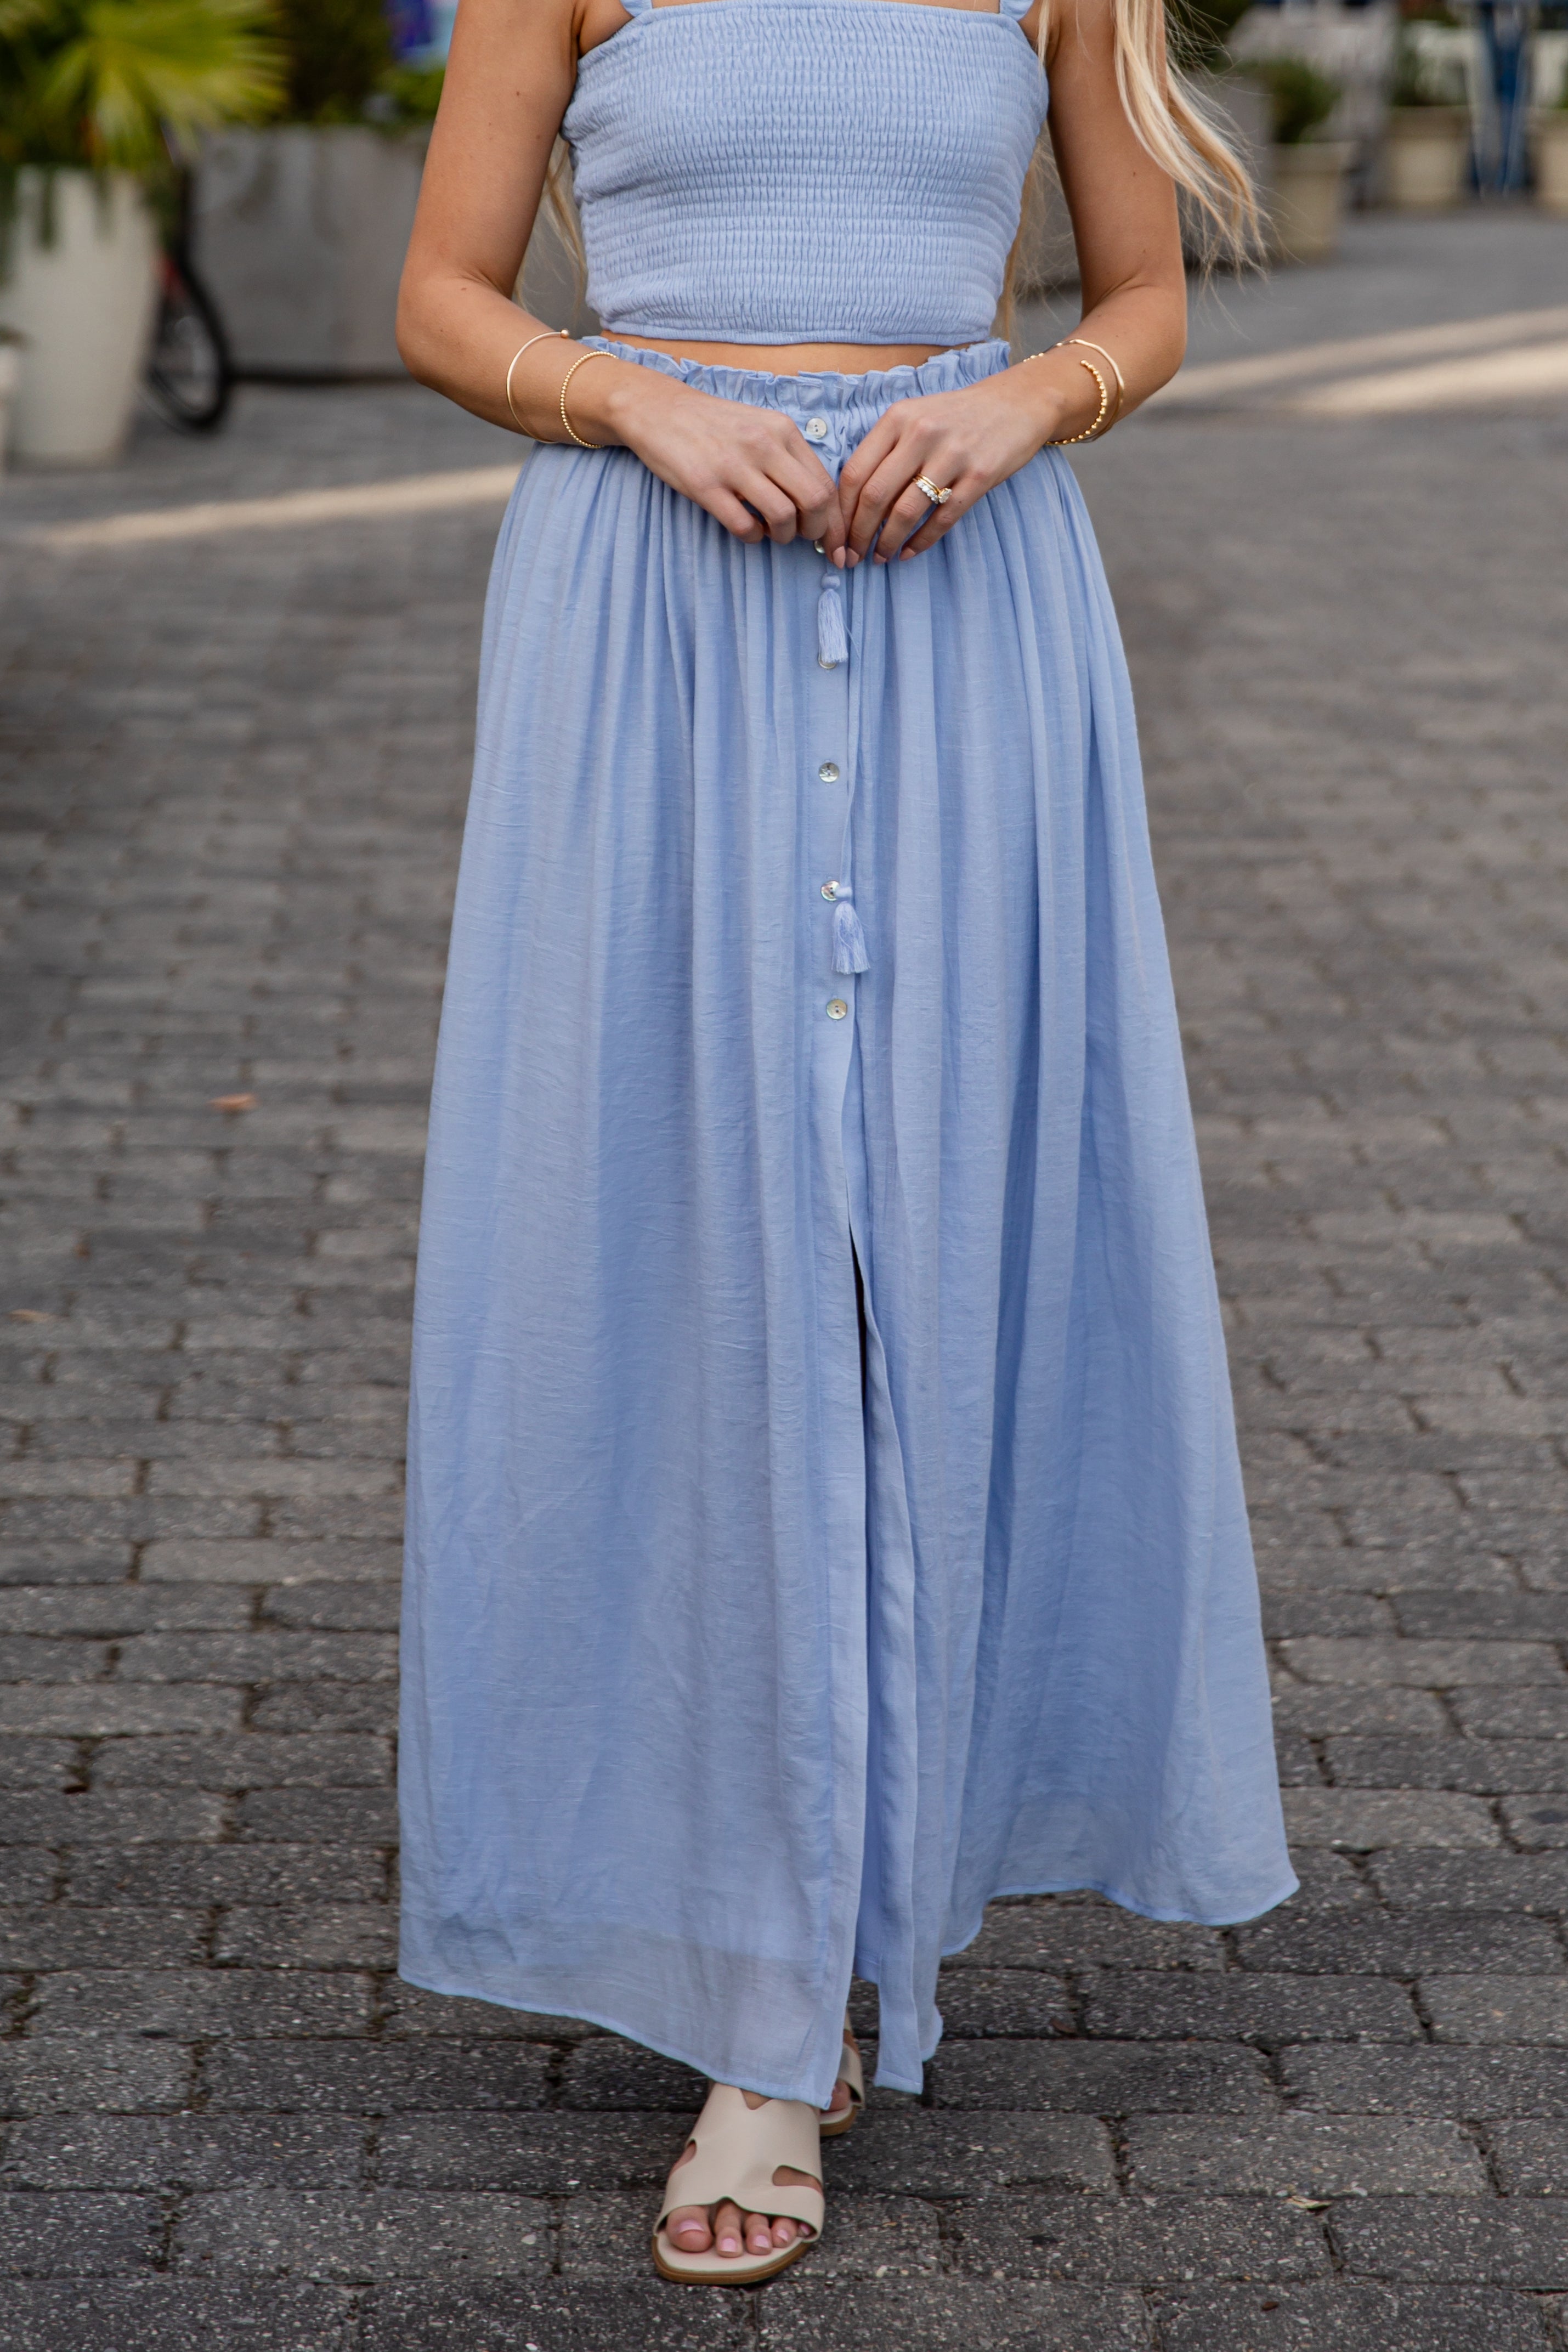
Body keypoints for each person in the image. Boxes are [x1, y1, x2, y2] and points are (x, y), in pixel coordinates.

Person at [394, 0, 1296, 2287]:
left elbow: (1143, 302)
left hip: (968, 609)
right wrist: (633, 393)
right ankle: (764, 2015)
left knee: (951, 1236)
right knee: (687, 1252)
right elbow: (439, 295)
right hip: (649, 611)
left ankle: (849, 1924)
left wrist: (1017, 396)